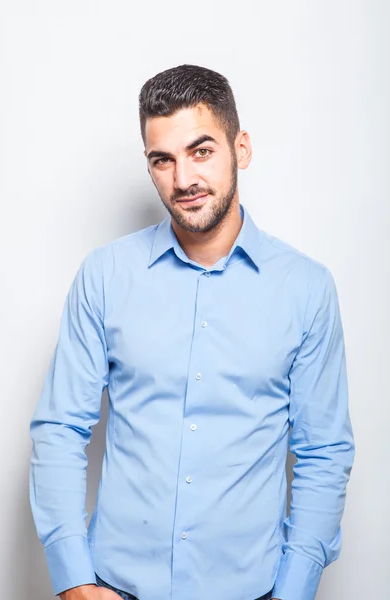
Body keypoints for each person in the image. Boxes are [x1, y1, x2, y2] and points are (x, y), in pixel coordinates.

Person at [29, 64, 355, 600]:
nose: (182, 180)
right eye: (163, 160)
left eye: (201, 151)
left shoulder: (306, 289)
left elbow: (324, 452)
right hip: (114, 587)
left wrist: (294, 592)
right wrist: (75, 582)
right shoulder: (106, 275)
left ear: (240, 148)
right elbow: (60, 428)